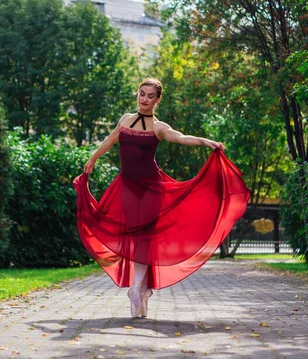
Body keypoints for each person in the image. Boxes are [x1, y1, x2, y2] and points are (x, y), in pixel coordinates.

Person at [73, 78, 250, 318]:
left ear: (157, 100)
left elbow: (181, 137)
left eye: (149, 96)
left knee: (143, 237)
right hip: (126, 187)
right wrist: (93, 158)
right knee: (136, 238)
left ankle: (136, 288)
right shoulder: (125, 119)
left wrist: (205, 141)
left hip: (151, 189)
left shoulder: (159, 127)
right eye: (141, 94)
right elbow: (111, 139)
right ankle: (140, 291)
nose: (144, 99)